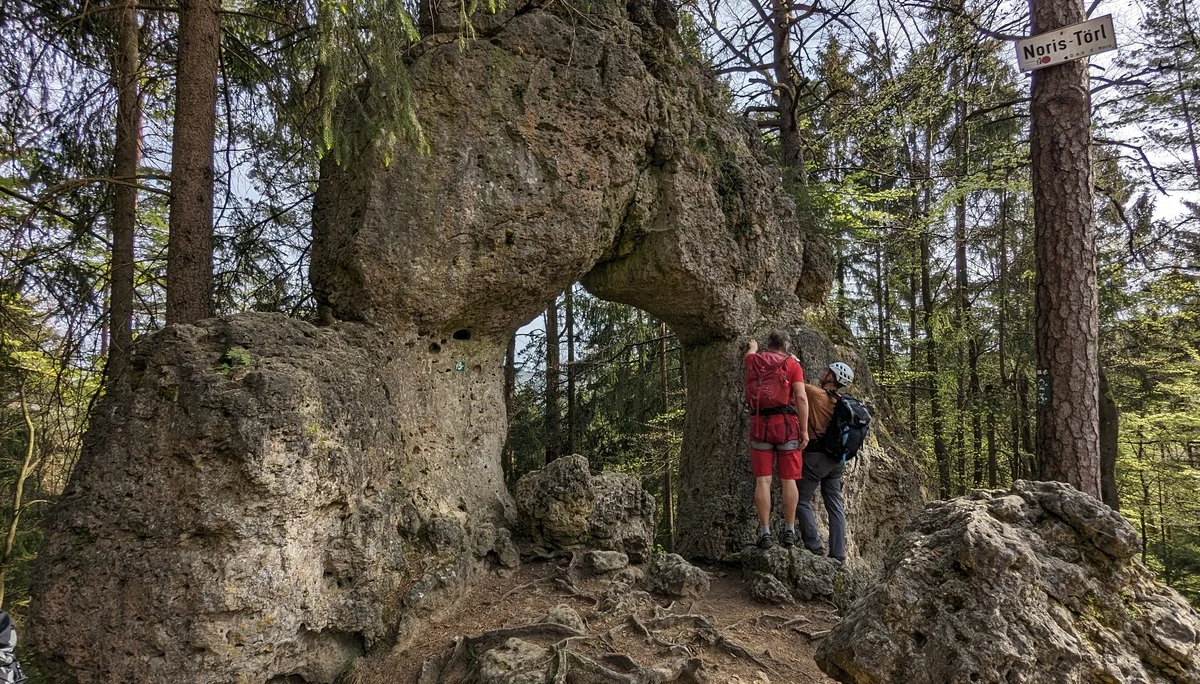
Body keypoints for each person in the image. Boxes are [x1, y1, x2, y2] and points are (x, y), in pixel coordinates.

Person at [744, 330, 809, 550]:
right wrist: (805, 431)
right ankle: (789, 531)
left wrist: (752, 346)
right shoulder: (792, 365)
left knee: (763, 481)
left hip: (760, 425)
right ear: (786, 346)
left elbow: (750, 354)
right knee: (788, 480)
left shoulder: (754, 360)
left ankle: (765, 533)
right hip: (786, 426)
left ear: (769, 344)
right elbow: (800, 397)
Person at [796, 361, 856, 563]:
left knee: (799, 500)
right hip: (837, 460)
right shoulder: (841, 402)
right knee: (835, 505)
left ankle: (814, 548)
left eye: (826, 371)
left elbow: (794, 383)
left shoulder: (815, 394)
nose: (823, 373)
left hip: (816, 458)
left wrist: (792, 361)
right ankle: (838, 554)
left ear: (831, 377)